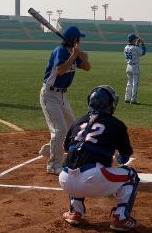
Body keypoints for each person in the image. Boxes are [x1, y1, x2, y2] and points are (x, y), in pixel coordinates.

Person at [59, 85, 139, 231]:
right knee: (131, 175)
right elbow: (124, 157)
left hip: (65, 180)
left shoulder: (77, 122)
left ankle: (74, 212)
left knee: (76, 166)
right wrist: (114, 153)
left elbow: (65, 148)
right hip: (92, 177)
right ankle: (120, 218)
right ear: (110, 104)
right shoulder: (117, 124)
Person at [38, 26, 91, 175]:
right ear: (74, 40)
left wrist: (83, 57)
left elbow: (87, 68)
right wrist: (74, 56)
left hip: (62, 96)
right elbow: (60, 70)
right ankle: (53, 165)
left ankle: (50, 149)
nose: (80, 41)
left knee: (72, 128)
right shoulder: (60, 51)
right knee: (59, 129)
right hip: (49, 95)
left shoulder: (72, 52)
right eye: (79, 39)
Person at [124, 34, 146, 104]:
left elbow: (134, 50)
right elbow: (143, 52)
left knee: (129, 83)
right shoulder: (135, 48)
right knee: (135, 84)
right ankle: (133, 100)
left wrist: (137, 44)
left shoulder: (126, 47)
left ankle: (127, 98)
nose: (136, 40)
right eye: (135, 39)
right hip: (135, 66)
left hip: (128, 66)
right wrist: (142, 44)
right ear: (133, 40)